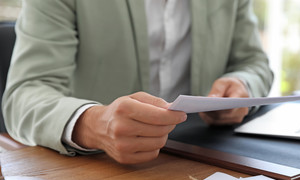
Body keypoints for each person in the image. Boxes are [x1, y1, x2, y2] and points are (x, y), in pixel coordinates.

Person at [2, 0, 273, 164]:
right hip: (98, 171)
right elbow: (25, 93)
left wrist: (241, 84)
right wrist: (94, 124)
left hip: (206, 161)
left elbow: (254, 63)